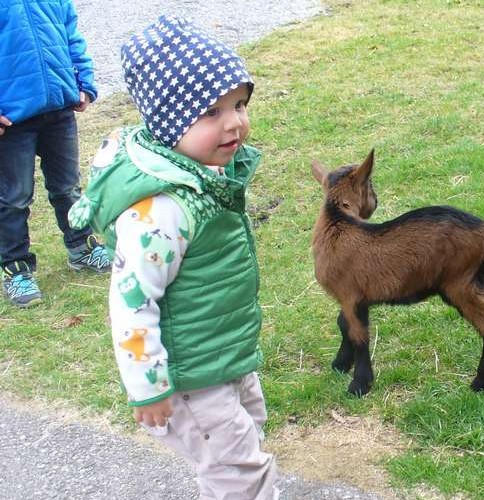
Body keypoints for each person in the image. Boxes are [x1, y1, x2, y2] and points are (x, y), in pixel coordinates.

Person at [68, 15, 277, 499]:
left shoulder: (203, 176)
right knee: (238, 473)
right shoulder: (161, 211)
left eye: (240, 104)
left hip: (222, 356)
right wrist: (149, 388)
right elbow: (132, 303)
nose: (235, 122)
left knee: (245, 441)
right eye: (211, 112)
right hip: (188, 375)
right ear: (170, 122)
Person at [0, 0, 112, 308]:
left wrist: (84, 84)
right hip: (12, 121)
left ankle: (82, 247)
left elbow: (71, 36)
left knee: (67, 188)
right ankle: (17, 271)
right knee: (14, 198)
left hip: (60, 111)